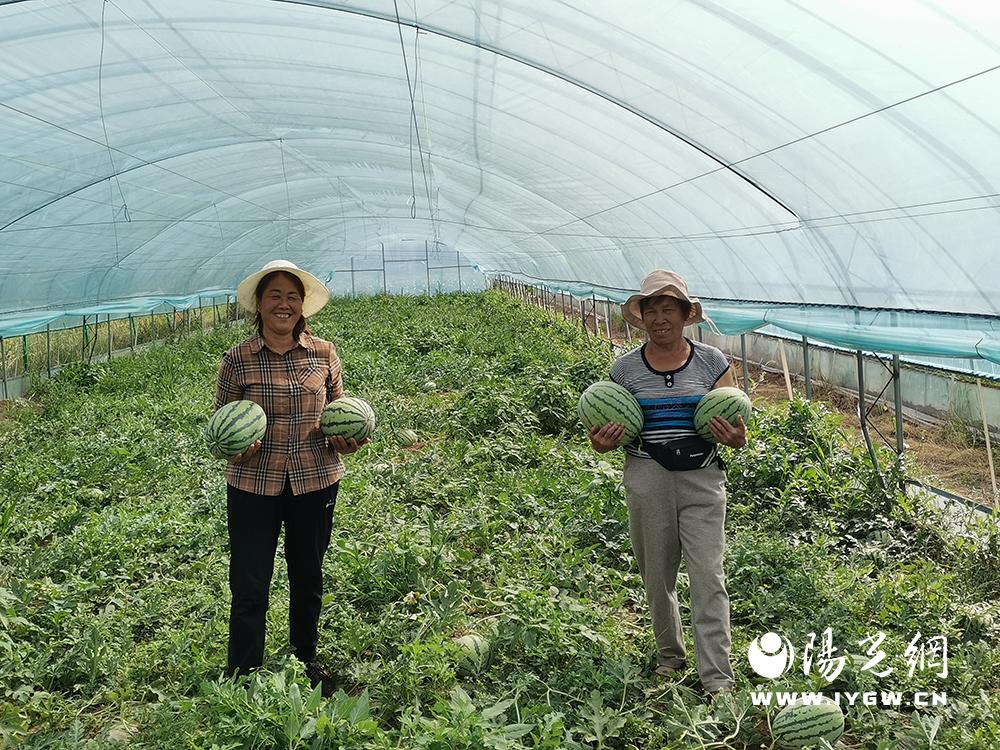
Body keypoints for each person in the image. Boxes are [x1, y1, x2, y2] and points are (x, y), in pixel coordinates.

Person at [589, 269, 747, 701]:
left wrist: (737, 438)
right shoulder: (623, 370)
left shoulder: (714, 362)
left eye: (668, 309)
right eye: (652, 309)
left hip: (702, 478)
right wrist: (602, 443)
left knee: (708, 576)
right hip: (647, 476)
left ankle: (717, 677)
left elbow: (733, 423)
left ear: (684, 314)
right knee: (657, 575)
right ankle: (670, 656)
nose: (660, 318)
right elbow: (609, 428)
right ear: (642, 318)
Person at [214, 259, 365, 693]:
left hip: (315, 480)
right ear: (259, 305)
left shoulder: (324, 353)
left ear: (303, 306)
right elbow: (220, 423)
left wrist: (346, 438)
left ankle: (305, 660)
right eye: (275, 295)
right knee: (249, 584)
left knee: (308, 577)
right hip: (252, 485)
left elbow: (339, 410)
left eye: (292, 296)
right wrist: (235, 444)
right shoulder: (237, 360)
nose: (284, 304)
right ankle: (242, 675)